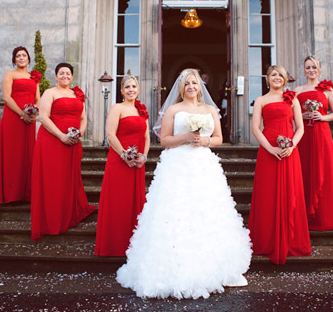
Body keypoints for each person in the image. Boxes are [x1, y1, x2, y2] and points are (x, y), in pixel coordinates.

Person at [117, 68, 251, 299]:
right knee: (176, 212)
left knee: (205, 212)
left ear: (200, 87)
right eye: (187, 83)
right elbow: (165, 140)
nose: (191, 86)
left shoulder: (210, 110)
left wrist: (206, 140)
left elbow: (219, 137)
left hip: (203, 165)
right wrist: (186, 138)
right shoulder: (173, 109)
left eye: (195, 83)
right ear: (182, 87)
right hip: (177, 165)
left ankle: (211, 266)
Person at [249, 65, 311, 264]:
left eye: (281, 75)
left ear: (285, 80)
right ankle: (267, 241)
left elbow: (300, 128)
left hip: (289, 152)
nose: (277, 78)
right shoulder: (260, 100)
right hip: (268, 151)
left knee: (290, 192)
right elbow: (256, 129)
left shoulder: (292, 99)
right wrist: (270, 148)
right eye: (273, 74)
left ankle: (290, 240)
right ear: (267, 79)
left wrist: (292, 146)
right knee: (267, 194)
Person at [30, 63, 96, 241]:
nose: (65, 76)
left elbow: (83, 118)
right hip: (52, 141)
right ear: (56, 76)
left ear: (72, 76)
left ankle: (66, 215)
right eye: (61, 73)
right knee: (53, 179)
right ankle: (51, 220)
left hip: (72, 142)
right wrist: (61, 136)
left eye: (68, 73)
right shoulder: (50, 93)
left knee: (68, 179)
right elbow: (43, 117)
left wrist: (80, 132)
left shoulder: (77, 94)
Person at [95, 74, 150, 256]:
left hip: (137, 164)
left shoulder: (142, 111)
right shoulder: (117, 108)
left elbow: (146, 137)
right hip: (119, 161)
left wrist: (144, 156)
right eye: (127, 87)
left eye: (134, 86)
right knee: (118, 202)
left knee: (134, 203)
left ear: (138, 89)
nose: (131, 90)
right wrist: (124, 155)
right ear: (121, 91)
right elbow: (110, 134)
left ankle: (132, 245)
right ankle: (114, 245)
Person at [294, 56, 333, 231]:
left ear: (320, 69)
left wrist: (322, 117)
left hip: (321, 134)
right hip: (304, 135)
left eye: (314, 67)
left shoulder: (328, 90)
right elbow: (293, 114)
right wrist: (302, 116)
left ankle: (324, 216)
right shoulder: (298, 90)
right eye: (307, 67)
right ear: (304, 70)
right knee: (305, 169)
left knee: (323, 170)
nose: (311, 70)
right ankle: (304, 214)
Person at [0, 46, 40, 203]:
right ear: (14, 60)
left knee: (27, 153)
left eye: (24, 55)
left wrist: (34, 113)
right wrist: (21, 114)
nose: (22, 58)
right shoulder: (10, 75)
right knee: (13, 154)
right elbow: (6, 97)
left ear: (29, 59)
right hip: (13, 118)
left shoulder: (34, 76)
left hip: (29, 119)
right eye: (18, 56)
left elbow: (38, 98)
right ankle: (10, 194)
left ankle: (26, 193)